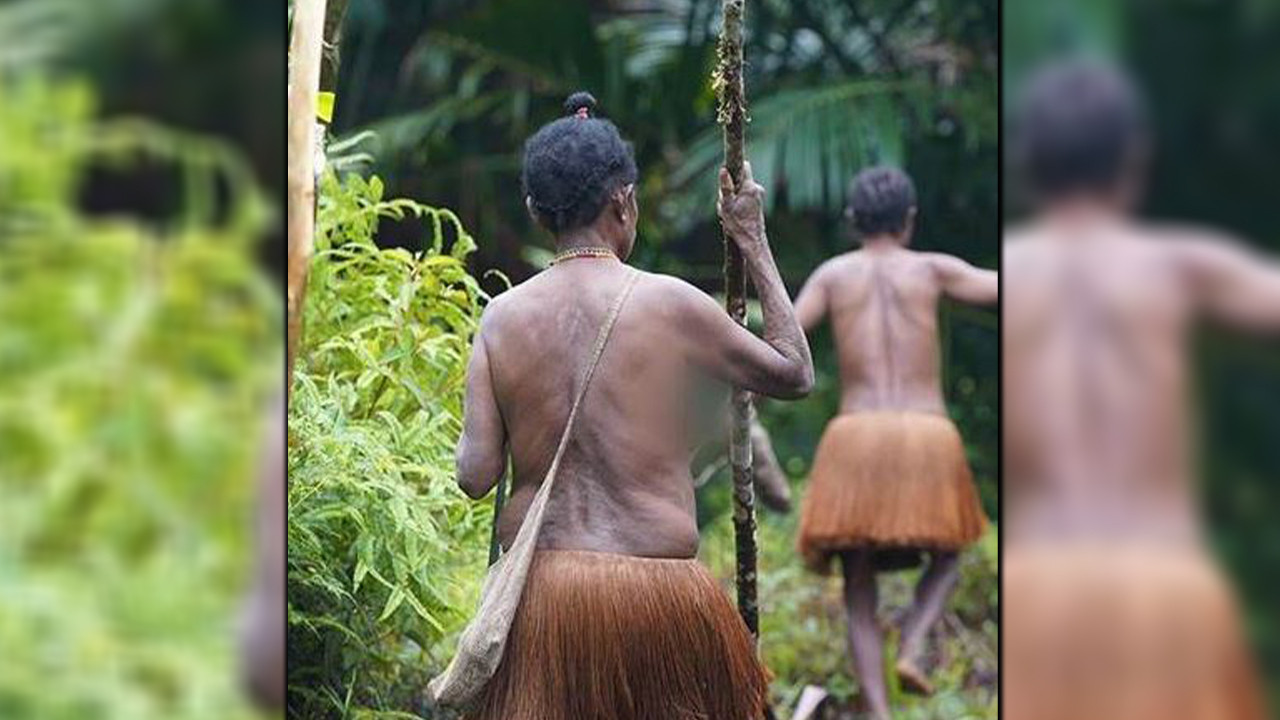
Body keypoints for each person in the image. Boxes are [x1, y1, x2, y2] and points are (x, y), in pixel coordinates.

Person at [454, 92, 813, 720]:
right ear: (623, 202)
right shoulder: (669, 303)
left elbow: (475, 476)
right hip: (659, 598)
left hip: (545, 608)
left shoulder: (500, 319)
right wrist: (751, 240)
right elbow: (794, 371)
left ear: (538, 211)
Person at [1003, 59, 1279, 720]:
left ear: (1028, 162)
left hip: (1040, 588)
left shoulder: (1011, 273)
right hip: (1163, 578)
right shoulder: (1180, 267)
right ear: (1134, 160)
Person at [792, 166, 997, 719]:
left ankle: (878, 713)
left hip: (856, 436)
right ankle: (911, 642)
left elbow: (785, 334)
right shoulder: (932, 268)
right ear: (909, 219)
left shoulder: (833, 276)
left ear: (854, 220)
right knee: (950, 553)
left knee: (858, 579)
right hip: (926, 432)